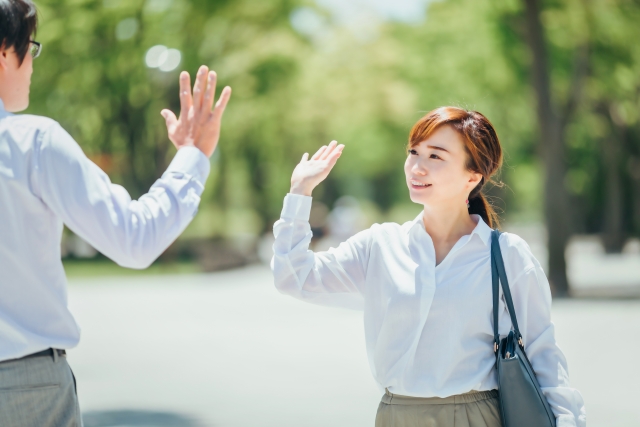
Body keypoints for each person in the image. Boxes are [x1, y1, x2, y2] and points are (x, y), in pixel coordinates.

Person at [271, 107, 586, 427]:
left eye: (435, 156)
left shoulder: (506, 255)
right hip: (396, 416)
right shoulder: (380, 246)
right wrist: (300, 192)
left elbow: (543, 353)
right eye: (413, 152)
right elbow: (293, 276)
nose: (416, 167)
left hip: (475, 416)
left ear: (472, 176)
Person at [0, 0, 231, 425]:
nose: (31, 63)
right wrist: (192, 157)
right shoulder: (30, 141)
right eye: (29, 48)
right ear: (3, 53)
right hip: (24, 387)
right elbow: (134, 239)